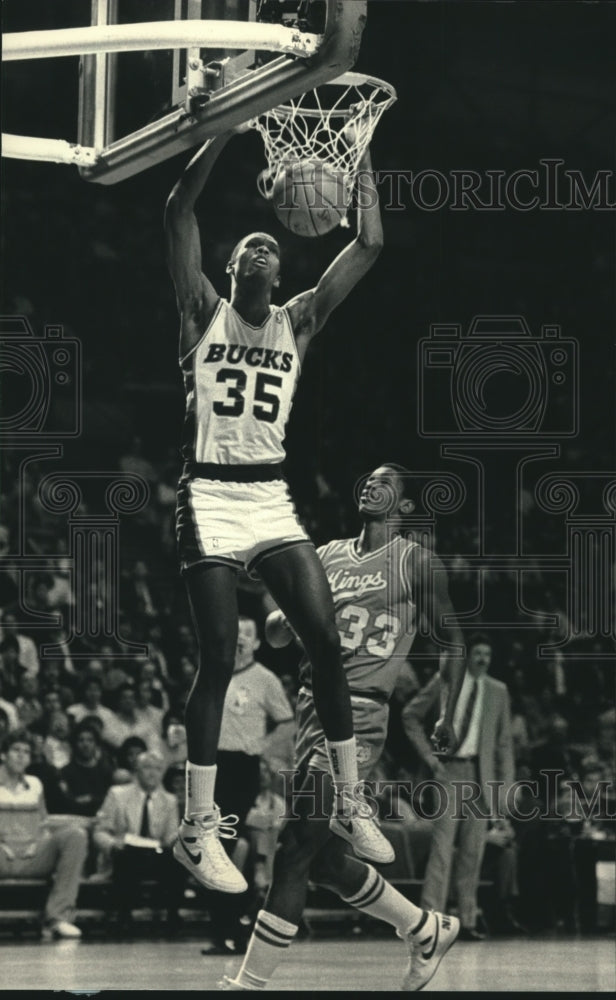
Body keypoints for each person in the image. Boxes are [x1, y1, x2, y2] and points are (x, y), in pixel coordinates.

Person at [164, 127, 390, 894]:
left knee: (325, 641)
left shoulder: (298, 320)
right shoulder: (200, 311)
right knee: (220, 655)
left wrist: (359, 165)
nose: (264, 250)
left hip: (267, 493)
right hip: (208, 491)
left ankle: (352, 801)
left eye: (273, 247)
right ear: (232, 268)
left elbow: (369, 243)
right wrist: (218, 132)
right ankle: (199, 829)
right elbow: (175, 212)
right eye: (250, 247)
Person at [220, 464, 466, 992]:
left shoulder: (414, 562)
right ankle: (423, 929)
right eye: (367, 479)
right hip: (313, 707)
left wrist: (446, 709)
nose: (369, 485)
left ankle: (248, 985)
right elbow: (277, 635)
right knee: (325, 859)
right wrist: (288, 618)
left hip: (360, 712)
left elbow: (453, 641)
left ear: (404, 505)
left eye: (384, 483)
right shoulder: (326, 555)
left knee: (293, 847)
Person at [402, 633, 515, 941]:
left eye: (486, 654)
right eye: (477, 652)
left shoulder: (498, 691)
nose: (482, 659)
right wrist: (430, 758)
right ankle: (430, 921)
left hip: (480, 774)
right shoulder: (446, 681)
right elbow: (410, 715)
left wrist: (503, 793)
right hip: (449, 770)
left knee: (473, 851)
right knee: (442, 849)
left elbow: (504, 745)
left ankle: (466, 920)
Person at [201, 616, 294, 956]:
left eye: (248, 633)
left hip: (241, 767)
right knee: (209, 846)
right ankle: (224, 928)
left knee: (227, 845)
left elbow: (286, 720)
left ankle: (233, 926)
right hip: (212, 766)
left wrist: (262, 748)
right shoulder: (214, 670)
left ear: (256, 642)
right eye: (235, 630)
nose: (240, 637)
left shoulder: (264, 679)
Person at [0, 729, 88, 939]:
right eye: (16, 750)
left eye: (26, 752)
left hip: (32, 855)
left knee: (76, 835)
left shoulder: (36, 784)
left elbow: (43, 823)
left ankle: (57, 918)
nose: (21, 755)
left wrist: (39, 841)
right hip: (2, 856)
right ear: (3, 755)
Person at [93, 750, 183, 935]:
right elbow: (100, 831)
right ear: (137, 771)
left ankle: (172, 916)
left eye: (157, 769)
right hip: (125, 853)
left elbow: (170, 836)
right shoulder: (117, 794)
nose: (152, 773)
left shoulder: (170, 800)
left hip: (156, 854)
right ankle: (124, 917)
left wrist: (179, 838)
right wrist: (111, 844)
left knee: (178, 859)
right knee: (127, 857)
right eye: (147, 768)